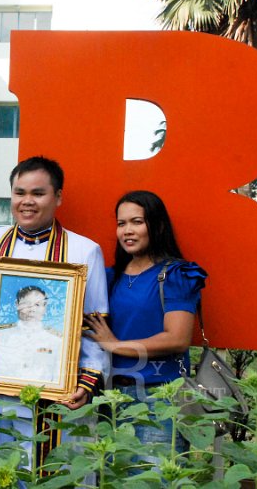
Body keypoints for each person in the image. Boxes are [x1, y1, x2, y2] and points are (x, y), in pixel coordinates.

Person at [0, 155, 109, 470]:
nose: (27, 201)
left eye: (38, 193)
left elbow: (93, 328)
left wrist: (86, 382)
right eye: (19, 193)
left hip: (53, 388)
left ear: (58, 197)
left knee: (44, 470)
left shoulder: (84, 251)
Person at [86, 190, 206, 461]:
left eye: (137, 222)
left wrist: (115, 345)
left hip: (158, 399)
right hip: (110, 398)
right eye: (121, 223)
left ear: (158, 225)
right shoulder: (110, 277)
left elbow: (177, 338)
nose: (127, 230)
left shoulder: (176, 274)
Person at [0, 286, 63, 383]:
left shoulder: (56, 342)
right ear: (17, 304)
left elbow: (58, 378)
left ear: (45, 307)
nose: (32, 310)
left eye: (37, 305)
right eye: (27, 304)